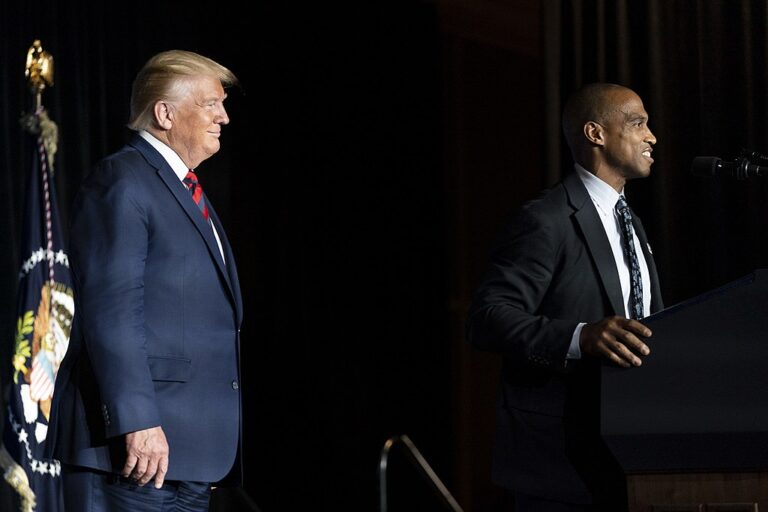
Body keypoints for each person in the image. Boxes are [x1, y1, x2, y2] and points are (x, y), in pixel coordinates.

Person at [46, 50, 244, 511]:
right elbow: (112, 312)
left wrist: (202, 440)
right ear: (165, 114)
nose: (224, 117)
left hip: (187, 456)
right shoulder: (122, 180)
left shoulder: (185, 189)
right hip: (131, 454)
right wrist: (137, 422)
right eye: (211, 104)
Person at [466, 83, 663, 511]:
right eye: (638, 124)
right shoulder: (546, 218)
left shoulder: (631, 222)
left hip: (629, 454)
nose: (651, 137)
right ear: (596, 134)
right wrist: (580, 337)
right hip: (560, 463)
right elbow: (487, 317)